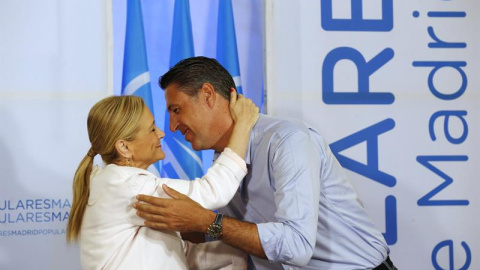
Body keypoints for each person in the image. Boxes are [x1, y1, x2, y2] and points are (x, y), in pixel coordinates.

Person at [134, 56, 398, 270]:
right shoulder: (224, 162)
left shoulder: (286, 141)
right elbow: (222, 228)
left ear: (207, 95)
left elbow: (297, 246)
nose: (171, 126)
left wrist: (204, 221)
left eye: (176, 110)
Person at [66, 93, 259, 270]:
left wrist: (248, 248)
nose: (161, 133)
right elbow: (213, 191)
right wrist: (243, 125)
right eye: (151, 129)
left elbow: (174, 255)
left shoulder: (114, 182)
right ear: (124, 147)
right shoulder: (131, 186)